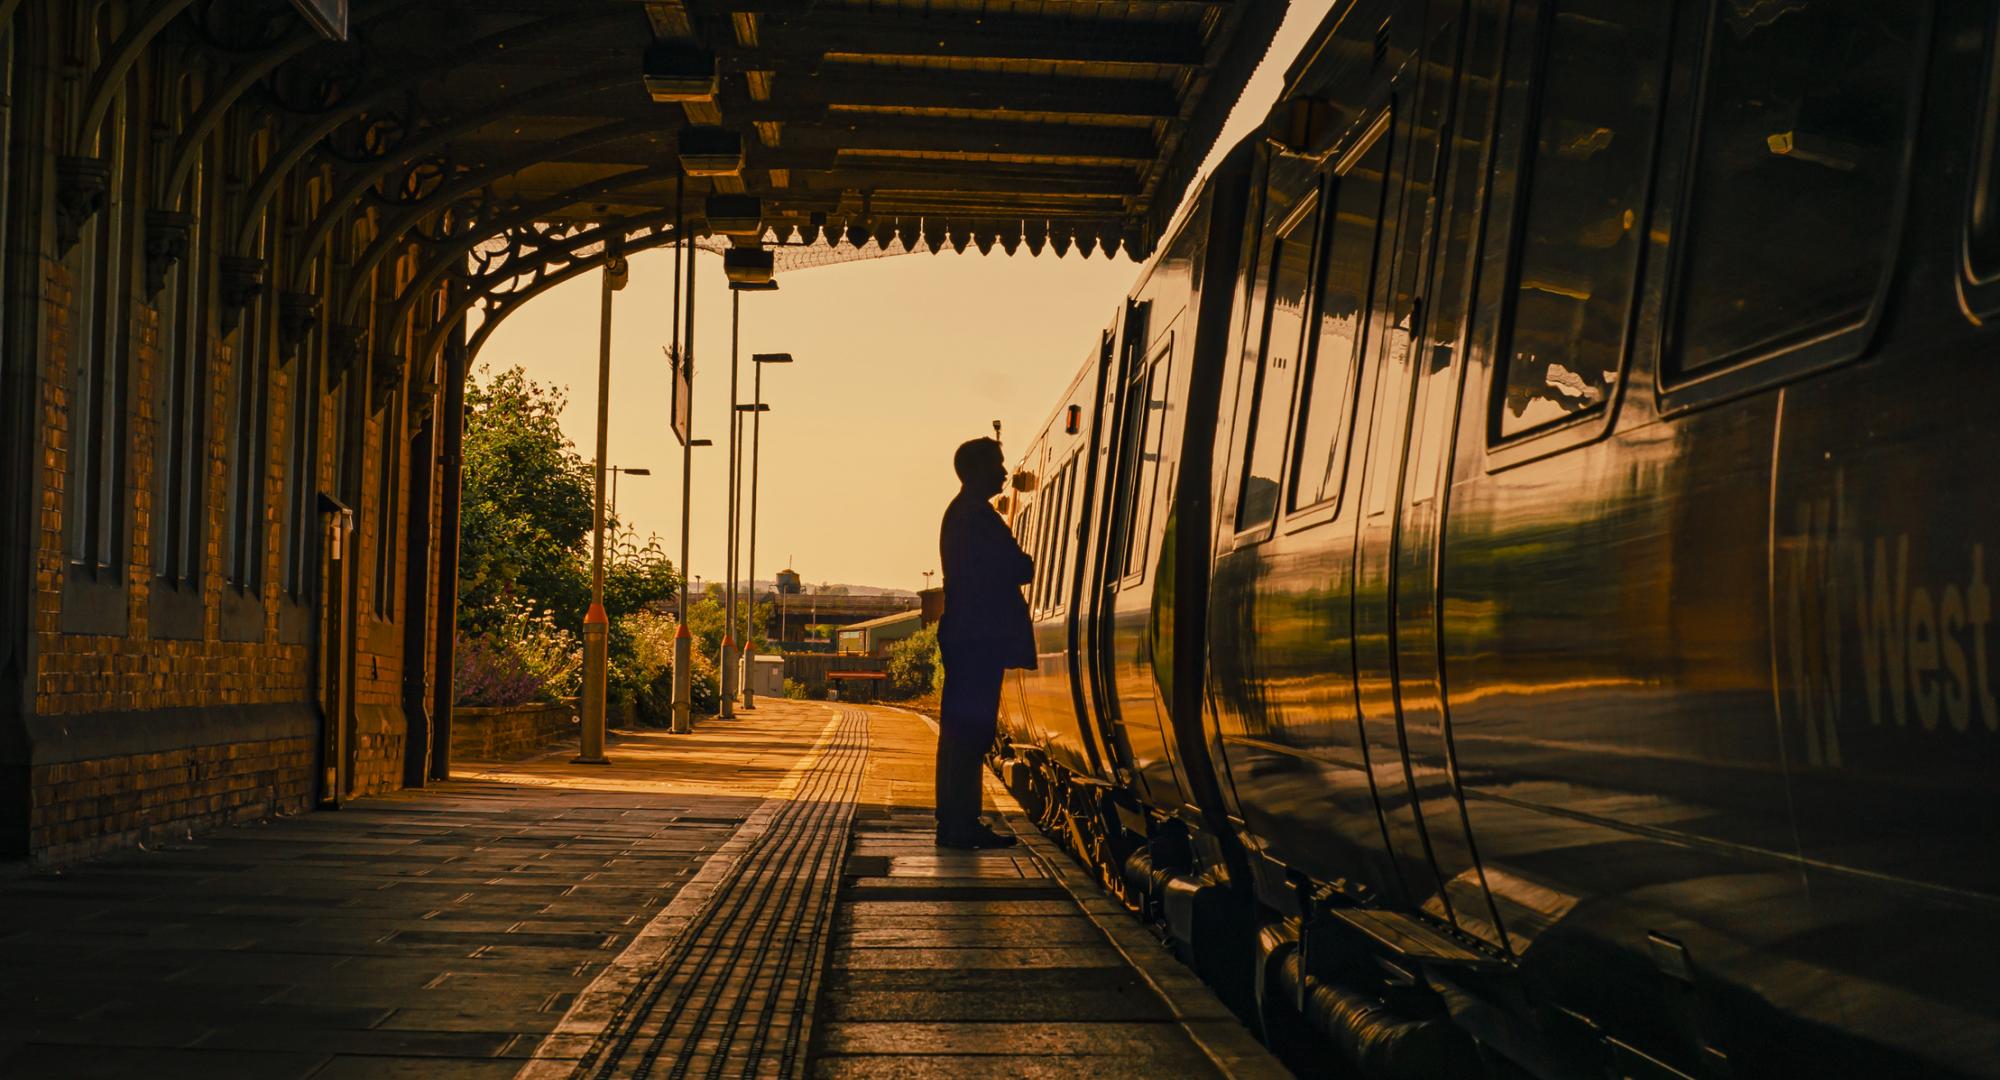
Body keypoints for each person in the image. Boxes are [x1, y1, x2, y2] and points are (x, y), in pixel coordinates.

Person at [934, 437, 1035, 849]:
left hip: (967, 635)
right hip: (978, 638)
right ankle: (960, 824)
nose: (1005, 472)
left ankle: (957, 821)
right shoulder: (977, 517)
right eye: (997, 464)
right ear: (975, 471)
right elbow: (1018, 567)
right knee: (970, 733)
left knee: (963, 734)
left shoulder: (963, 513)